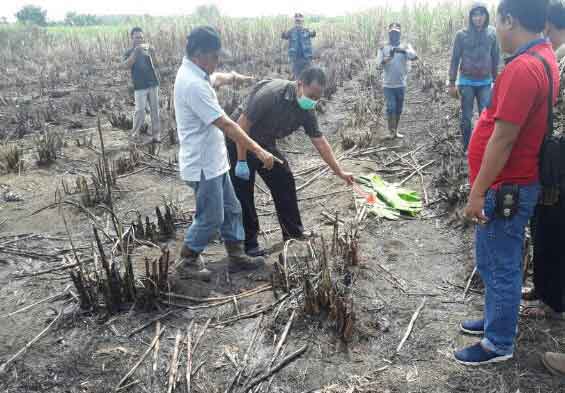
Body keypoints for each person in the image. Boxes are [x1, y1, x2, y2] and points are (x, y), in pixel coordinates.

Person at [456, 0, 559, 366]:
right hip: (511, 184)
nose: (497, 31)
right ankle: (494, 318)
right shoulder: (544, 57)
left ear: (510, 20)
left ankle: (498, 342)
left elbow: (502, 139)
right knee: (492, 257)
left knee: (501, 263)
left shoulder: (523, 68)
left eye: (498, 22)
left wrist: (478, 191)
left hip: (506, 187)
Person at [174, 26, 280, 280]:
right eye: (215, 57)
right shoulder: (192, 85)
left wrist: (235, 77)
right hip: (202, 165)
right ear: (200, 54)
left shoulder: (196, 72)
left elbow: (216, 78)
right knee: (211, 217)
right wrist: (258, 150)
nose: (217, 62)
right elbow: (227, 125)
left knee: (232, 209)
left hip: (215, 161)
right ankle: (187, 260)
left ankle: (236, 255)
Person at [227, 67, 354, 257]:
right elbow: (242, 126)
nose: (312, 101)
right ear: (300, 84)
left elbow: (320, 142)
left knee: (284, 179)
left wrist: (340, 172)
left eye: (317, 98)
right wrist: (242, 161)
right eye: (311, 95)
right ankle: (249, 245)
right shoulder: (271, 95)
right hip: (239, 139)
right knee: (244, 191)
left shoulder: (307, 109)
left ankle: (293, 231)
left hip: (264, 142)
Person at [521, 0, 565, 319]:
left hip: (557, 160)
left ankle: (553, 300)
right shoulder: (555, 57)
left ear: (547, 26)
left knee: (553, 226)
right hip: (549, 155)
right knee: (542, 223)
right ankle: (544, 288)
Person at [448, 3, 501, 151]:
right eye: (475, 15)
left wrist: (497, 81)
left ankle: (483, 147)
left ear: (486, 16)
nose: (478, 18)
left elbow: (495, 58)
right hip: (466, 81)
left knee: (486, 116)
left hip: (485, 82)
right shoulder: (461, 35)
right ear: (470, 17)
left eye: (481, 14)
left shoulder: (492, 33)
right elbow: (455, 59)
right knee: (466, 117)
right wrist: (451, 83)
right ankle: (467, 147)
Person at [376, 23, 418, 139]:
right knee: (391, 108)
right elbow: (378, 65)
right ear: (389, 34)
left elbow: (415, 57)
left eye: (396, 33)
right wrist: (389, 56)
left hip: (401, 84)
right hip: (388, 85)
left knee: (398, 109)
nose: (394, 35)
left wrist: (403, 51)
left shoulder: (405, 46)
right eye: (392, 33)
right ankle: (391, 131)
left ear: (400, 34)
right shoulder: (383, 47)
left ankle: (395, 131)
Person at [123, 27, 161, 145]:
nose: (139, 39)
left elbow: (157, 64)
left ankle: (156, 136)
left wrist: (153, 54)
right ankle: (134, 135)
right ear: (132, 38)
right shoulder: (129, 52)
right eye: (136, 37)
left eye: (141, 37)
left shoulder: (148, 50)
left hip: (152, 84)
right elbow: (126, 66)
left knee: (155, 111)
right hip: (139, 86)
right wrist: (135, 52)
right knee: (139, 111)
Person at [282, 13, 316, 80]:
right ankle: (298, 89)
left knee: (307, 75)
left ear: (302, 22)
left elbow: (312, 35)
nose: (298, 23)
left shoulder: (306, 30)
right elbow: (285, 36)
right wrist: (283, 33)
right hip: (296, 58)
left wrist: (314, 32)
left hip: (306, 57)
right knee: (297, 77)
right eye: (297, 21)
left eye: (299, 21)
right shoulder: (291, 31)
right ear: (295, 22)